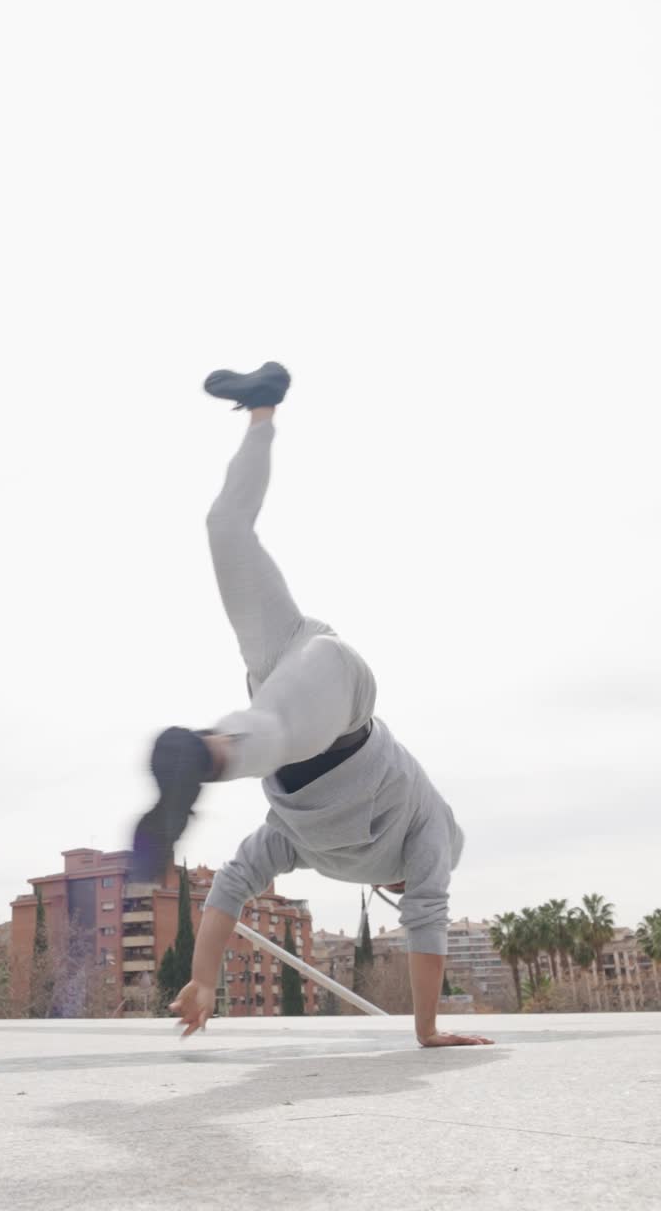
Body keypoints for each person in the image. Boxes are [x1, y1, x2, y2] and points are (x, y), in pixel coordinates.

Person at [132, 363, 493, 1049]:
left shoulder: (300, 840)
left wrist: (204, 980)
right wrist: (426, 1030)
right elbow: (428, 917)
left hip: (288, 668)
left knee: (225, 528)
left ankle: (263, 406)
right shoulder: (430, 834)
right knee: (271, 730)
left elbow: (233, 884)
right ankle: (207, 754)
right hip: (337, 695)